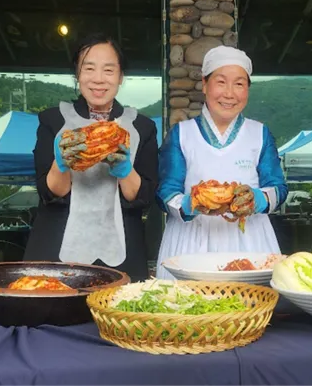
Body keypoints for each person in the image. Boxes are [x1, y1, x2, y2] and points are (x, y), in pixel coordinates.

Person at [23, 34, 158, 281]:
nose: (98, 79)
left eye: (108, 70)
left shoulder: (141, 127)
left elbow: (144, 197)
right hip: (57, 250)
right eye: (89, 68)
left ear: (120, 76)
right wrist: (61, 163)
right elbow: (50, 192)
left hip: (123, 255)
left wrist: (126, 170)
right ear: (78, 74)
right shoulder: (53, 120)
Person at [155, 46, 288, 279]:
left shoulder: (259, 133)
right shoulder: (182, 134)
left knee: (251, 300)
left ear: (247, 89)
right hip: (191, 242)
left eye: (239, 84)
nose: (229, 93)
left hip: (250, 242)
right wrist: (190, 204)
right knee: (188, 301)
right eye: (221, 82)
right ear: (205, 84)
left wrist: (257, 199)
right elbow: (166, 191)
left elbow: (278, 187)